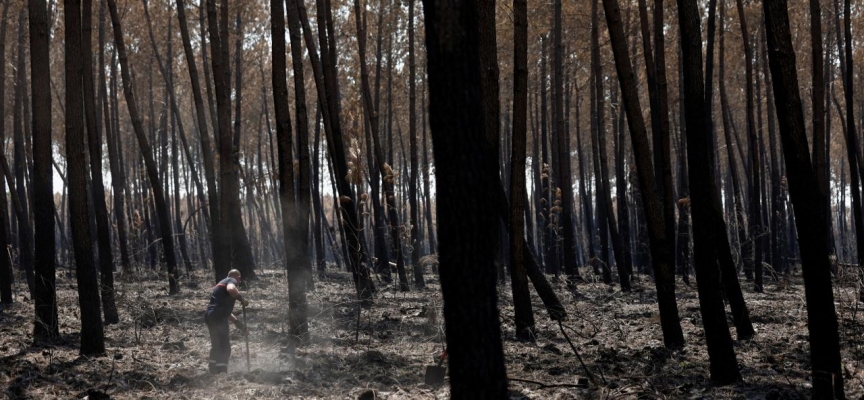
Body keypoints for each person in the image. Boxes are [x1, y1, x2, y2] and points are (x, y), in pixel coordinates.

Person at [204, 269, 249, 373]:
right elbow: (231, 289)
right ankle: (221, 371)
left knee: (216, 344)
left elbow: (226, 313)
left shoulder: (220, 285)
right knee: (224, 345)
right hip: (218, 316)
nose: (240, 281)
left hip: (210, 315)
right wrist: (241, 299)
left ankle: (213, 370)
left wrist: (240, 325)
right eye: (240, 278)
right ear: (237, 277)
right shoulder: (231, 281)